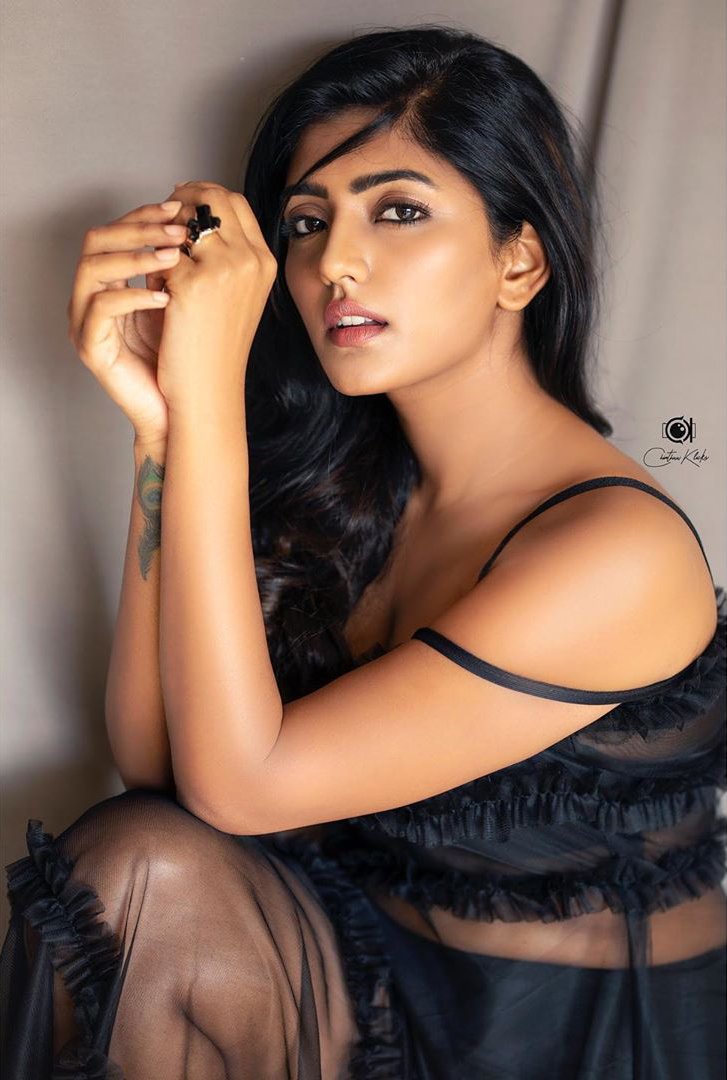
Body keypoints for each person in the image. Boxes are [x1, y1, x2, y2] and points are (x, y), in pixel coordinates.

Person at [1, 23, 725, 1080]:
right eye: (305, 223)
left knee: (144, 865)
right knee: (136, 864)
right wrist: (162, 431)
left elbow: (241, 791)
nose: (332, 263)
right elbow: (158, 767)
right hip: (374, 985)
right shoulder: (359, 494)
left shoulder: (613, 552)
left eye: (398, 210)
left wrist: (210, 402)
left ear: (518, 261)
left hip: (571, 1043)